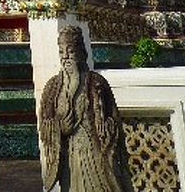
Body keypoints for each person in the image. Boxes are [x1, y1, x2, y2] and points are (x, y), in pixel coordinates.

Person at [39, 26, 134, 192]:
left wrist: (105, 127)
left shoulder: (97, 83)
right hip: (69, 156)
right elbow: (44, 125)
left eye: (71, 51)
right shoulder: (52, 87)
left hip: (94, 153)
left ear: (82, 53)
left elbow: (114, 120)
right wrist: (59, 128)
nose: (66, 57)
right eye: (62, 52)